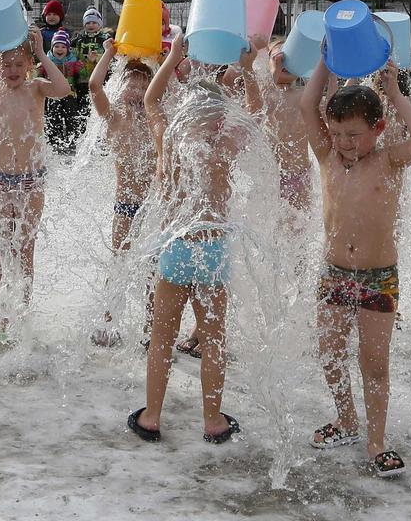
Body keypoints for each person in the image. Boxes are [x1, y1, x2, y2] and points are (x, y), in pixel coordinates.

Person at [300, 59, 411, 478]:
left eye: (353, 134)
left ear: (377, 129)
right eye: (337, 133)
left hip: (379, 277)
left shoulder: (389, 160)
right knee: (330, 354)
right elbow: (308, 107)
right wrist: (324, 62)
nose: (342, 142)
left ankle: (376, 442)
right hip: (334, 273)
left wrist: (394, 95)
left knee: (374, 363)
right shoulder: (326, 157)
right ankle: (346, 420)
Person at [129, 32, 261, 445]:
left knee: (163, 338)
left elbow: (151, 100)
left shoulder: (169, 139)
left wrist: (173, 56)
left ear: (184, 114)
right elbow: (256, 112)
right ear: (220, 118)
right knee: (214, 340)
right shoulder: (224, 145)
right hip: (213, 248)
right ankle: (212, 421)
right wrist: (246, 68)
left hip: (176, 247)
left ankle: (152, 416)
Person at [0, 25, 72, 347]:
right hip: (0, 180)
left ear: (29, 66)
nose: (12, 70)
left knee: (26, 248)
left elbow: (64, 88)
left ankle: (22, 313)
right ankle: (1, 315)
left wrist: (41, 51)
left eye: (19, 64)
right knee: (1, 247)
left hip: (32, 180)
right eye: (6, 64)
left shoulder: (37, 88)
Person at [88, 38, 155, 347]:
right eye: (132, 84)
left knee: (154, 269)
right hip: (125, 205)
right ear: (121, 86)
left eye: (145, 86)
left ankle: (151, 329)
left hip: (155, 207)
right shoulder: (116, 119)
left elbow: (175, 91)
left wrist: (166, 60)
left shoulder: (159, 120)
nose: (138, 92)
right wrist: (110, 53)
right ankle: (107, 322)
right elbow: (93, 86)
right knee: (118, 263)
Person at [261, 40, 312, 213]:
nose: (284, 62)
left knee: (299, 228)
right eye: (278, 57)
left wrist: (330, 74)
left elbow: (330, 105)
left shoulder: (303, 95)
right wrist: (274, 71)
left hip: (300, 175)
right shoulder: (267, 94)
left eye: (290, 58)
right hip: (272, 178)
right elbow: (258, 108)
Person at [39, 29, 83, 154]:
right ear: (52, 47)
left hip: (69, 94)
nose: (59, 49)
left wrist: (86, 64)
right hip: (52, 95)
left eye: (63, 46)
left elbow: (84, 75)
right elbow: (37, 76)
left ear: (68, 48)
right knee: (53, 116)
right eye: (56, 46)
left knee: (71, 117)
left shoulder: (73, 62)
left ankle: (71, 140)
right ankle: (54, 141)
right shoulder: (46, 62)